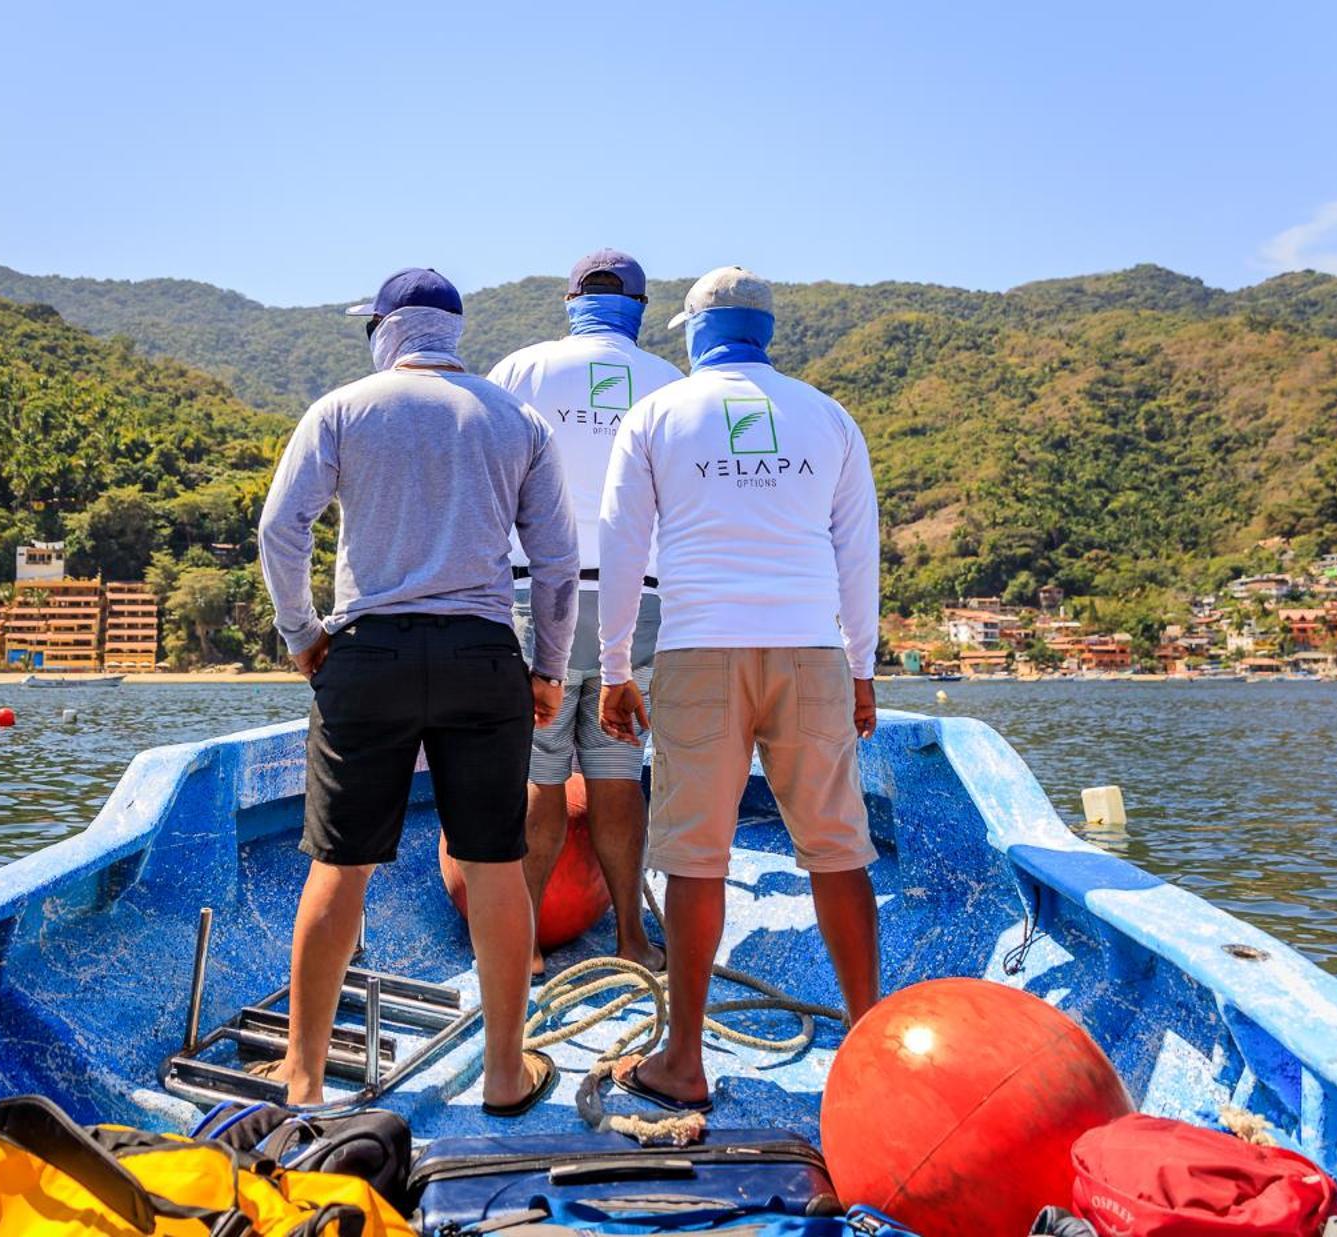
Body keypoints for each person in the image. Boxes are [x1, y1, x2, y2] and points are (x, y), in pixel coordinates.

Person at [257, 267, 579, 1114]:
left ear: (388, 331)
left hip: (368, 654)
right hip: (482, 655)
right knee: (496, 864)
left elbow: (280, 528)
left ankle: (302, 1074)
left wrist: (303, 634)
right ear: (453, 332)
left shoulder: (343, 408)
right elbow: (554, 561)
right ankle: (506, 1074)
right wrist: (548, 666)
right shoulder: (518, 419)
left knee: (340, 864)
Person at [595, 265, 882, 1112]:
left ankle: (683, 1058)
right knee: (838, 846)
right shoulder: (828, 416)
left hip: (698, 652)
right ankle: (867, 1046)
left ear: (692, 332)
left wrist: (615, 667)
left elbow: (621, 546)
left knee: (694, 854)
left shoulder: (656, 413)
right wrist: (860, 666)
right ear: (767, 332)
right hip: (810, 651)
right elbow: (856, 554)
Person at [486, 249, 684, 974]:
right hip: (641, 600)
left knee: (538, 777)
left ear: (572, 300)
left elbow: (490, 482)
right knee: (618, 772)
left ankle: (528, 944)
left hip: (537, 592)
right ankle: (633, 939)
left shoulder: (518, 370)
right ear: (637, 305)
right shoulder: (670, 383)